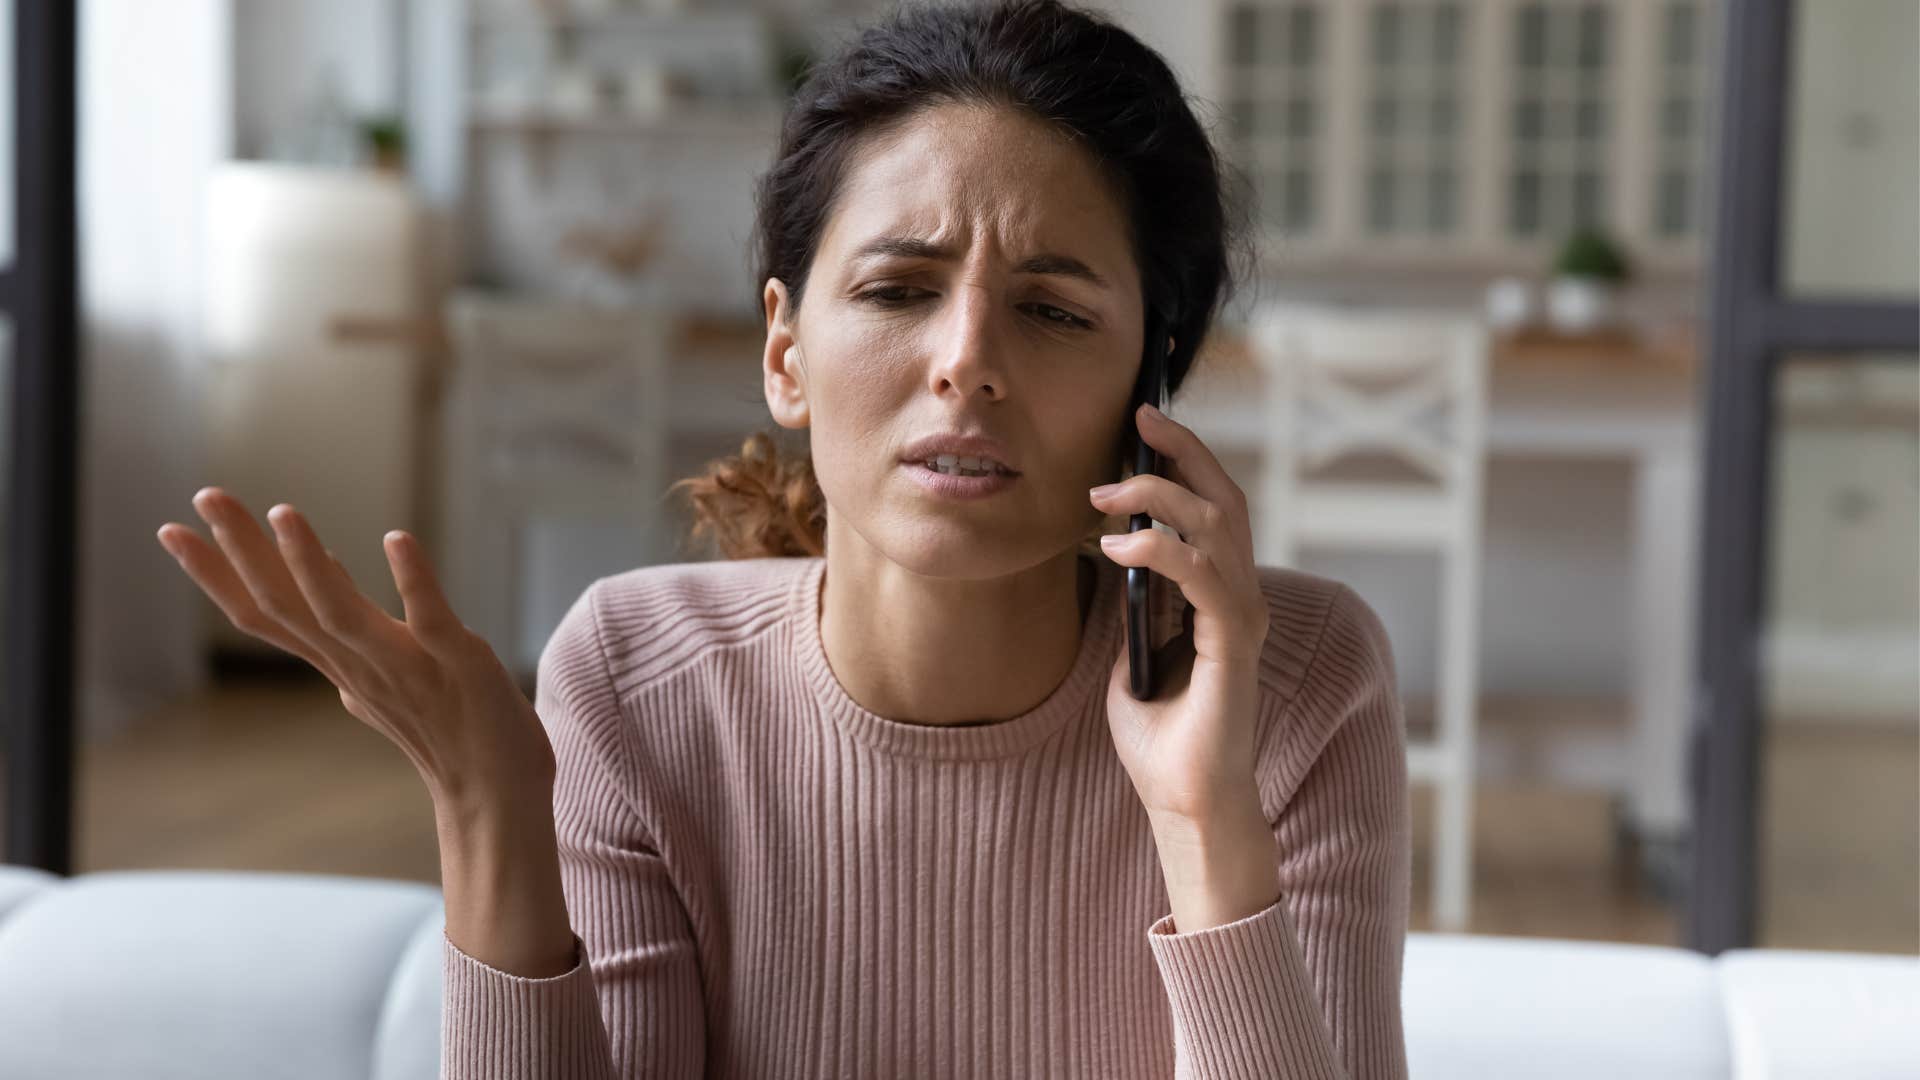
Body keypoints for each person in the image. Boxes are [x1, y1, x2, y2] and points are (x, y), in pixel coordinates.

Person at [155, 2, 1410, 1076]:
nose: (966, 360)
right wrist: (490, 803)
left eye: (1053, 310)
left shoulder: (1290, 682)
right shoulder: (638, 679)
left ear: (1153, 379)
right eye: (897, 290)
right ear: (784, 350)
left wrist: (1203, 818)